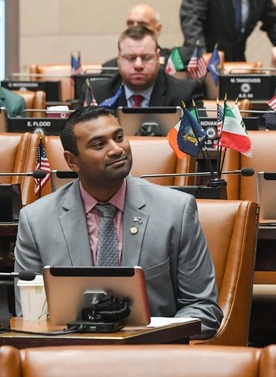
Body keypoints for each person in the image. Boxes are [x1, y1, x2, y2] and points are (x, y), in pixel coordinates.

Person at [14, 106, 222, 336]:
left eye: (119, 137)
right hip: (70, 357)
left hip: (153, 359)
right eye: (99, 144)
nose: (116, 150)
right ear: (72, 161)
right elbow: (29, 316)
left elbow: (204, 309)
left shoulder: (176, 211)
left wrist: (145, 340)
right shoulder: (36, 220)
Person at [92, 25, 204, 108]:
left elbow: (198, 136)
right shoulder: (96, 94)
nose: (138, 65)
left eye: (146, 58)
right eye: (131, 58)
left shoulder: (185, 93)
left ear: (157, 56)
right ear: (119, 59)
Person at [103, 4, 174, 69]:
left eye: (142, 24)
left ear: (158, 29)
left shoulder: (173, 63)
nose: (135, 28)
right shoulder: (109, 68)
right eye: (130, 23)